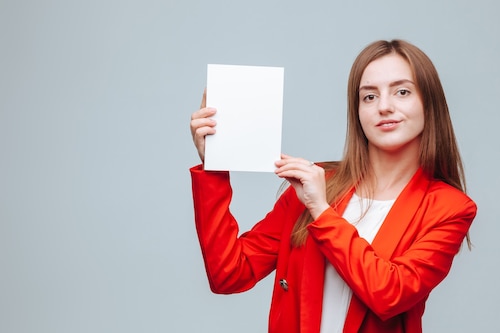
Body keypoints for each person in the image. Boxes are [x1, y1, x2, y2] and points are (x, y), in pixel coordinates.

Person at [189, 39, 477, 333]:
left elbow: (389, 293)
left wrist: (321, 211)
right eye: (369, 97)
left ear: (429, 103)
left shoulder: (450, 208)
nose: (384, 106)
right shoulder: (318, 184)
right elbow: (229, 274)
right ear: (358, 112)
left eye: (402, 92)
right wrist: (214, 165)